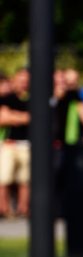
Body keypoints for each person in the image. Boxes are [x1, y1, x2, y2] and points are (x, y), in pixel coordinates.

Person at [0, 69, 31, 220]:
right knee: (4, 178)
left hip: (27, 144)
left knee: (24, 180)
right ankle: (4, 210)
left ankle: (23, 209)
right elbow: (3, 118)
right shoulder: (7, 98)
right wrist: (25, 117)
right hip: (9, 144)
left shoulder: (34, 98)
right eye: (21, 79)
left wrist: (14, 116)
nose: (24, 83)